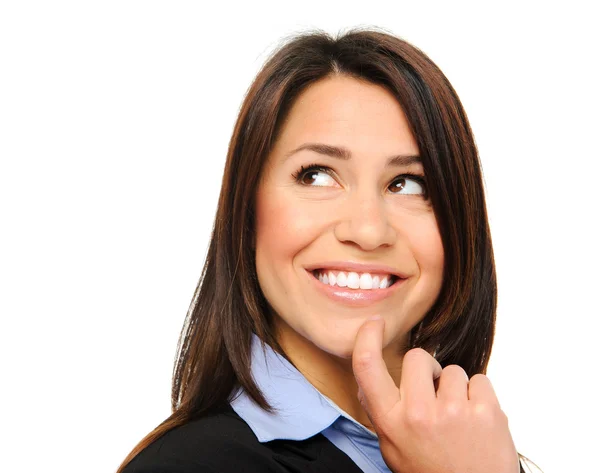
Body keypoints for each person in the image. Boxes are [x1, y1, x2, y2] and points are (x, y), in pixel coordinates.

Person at [117, 27, 542, 473]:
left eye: (409, 184)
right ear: (247, 210)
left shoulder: (472, 448)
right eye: (316, 175)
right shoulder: (193, 465)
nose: (367, 229)